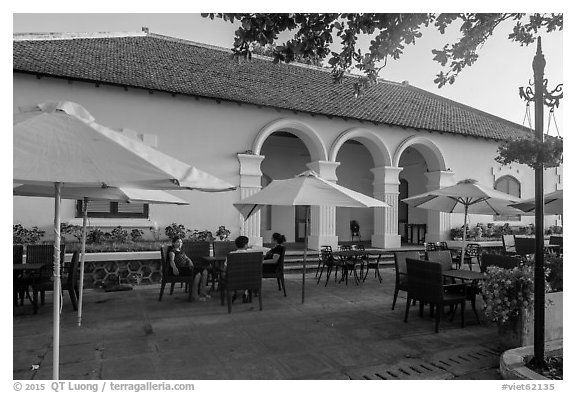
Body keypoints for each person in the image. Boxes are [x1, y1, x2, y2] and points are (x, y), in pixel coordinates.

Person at [167, 237, 210, 301]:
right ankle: (195, 295)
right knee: (197, 274)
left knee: (205, 271)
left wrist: (190, 263)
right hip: (180, 269)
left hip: (187, 268)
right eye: (177, 242)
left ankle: (203, 291)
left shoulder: (181, 251)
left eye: (181, 242)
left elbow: (187, 258)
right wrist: (174, 268)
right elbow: (171, 261)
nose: (179, 244)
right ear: (173, 243)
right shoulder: (172, 251)